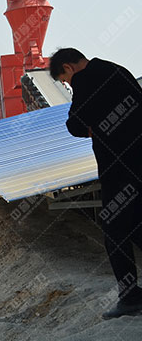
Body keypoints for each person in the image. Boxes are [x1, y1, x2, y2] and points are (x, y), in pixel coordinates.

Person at [50, 48, 142, 319]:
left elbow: (74, 124)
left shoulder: (85, 78)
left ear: (69, 67)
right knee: (136, 224)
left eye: (65, 80)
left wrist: (94, 127)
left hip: (118, 167)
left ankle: (130, 297)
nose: (69, 85)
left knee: (114, 229)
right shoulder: (118, 70)